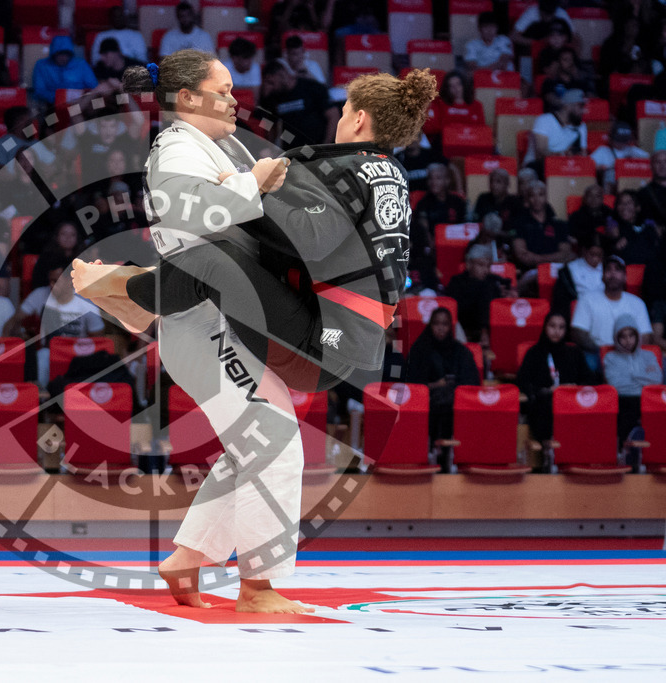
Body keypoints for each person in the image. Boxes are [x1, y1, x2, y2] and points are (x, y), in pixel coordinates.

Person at [73, 54, 435, 611]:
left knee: (255, 444)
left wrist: (256, 181)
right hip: (203, 320)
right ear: (189, 99)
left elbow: (270, 216)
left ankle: (188, 557)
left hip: (231, 312)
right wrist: (253, 186)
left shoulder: (227, 147)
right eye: (224, 89)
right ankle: (258, 587)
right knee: (274, 445)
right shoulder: (175, 149)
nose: (236, 99)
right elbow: (200, 223)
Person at [516, 311, 597, 471]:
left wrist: (574, 388)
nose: (556, 331)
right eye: (552, 326)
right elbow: (523, 383)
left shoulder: (574, 353)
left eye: (561, 327)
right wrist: (546, 390)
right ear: (545, 327)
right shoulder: (534, 353)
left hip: (572, 403)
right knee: (545, 406)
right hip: (544, 402)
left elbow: (589, 380)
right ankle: (549, 451)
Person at [405, 307, 481, 471]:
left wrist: (451, 388)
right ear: (430, 325)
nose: (440, 328)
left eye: (445, 324)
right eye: (436, 323)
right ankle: (432, 452)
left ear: (450, 327)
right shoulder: (419, 350)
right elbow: (411, 386)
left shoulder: (461, 352)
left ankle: (447, 453)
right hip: (426, 406)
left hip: (454, 407)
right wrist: (435, 386)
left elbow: (472, 385)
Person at [10, 263, 104, 388]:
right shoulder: (40, 294)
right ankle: (41, 397)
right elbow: (14, 321)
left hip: (78, 354)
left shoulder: (87, 302)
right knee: (41, 355)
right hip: (49, 353)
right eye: (50, 281)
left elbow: (98, 338)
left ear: (71, 281)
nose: (51, 285)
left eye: (56, 281)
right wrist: (17, 333)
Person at [571, 254, 654, 369]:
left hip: (629, 354)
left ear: (625, 277)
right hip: (597, 354)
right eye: (608, 269)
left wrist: (626, 352)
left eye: (617, 270)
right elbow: (578, 332)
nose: (613, 274)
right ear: (602, 276)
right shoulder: (587, 299)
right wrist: (603, 351)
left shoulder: (637, 303)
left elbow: (646, 336)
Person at [603, 314, 661, 452]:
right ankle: (625, 452)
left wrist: (631, 376)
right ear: (616, 338)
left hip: (648, 400)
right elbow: (616, 385)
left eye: (631, 335)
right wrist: (643, 379)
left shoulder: (649, 356)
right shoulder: (610, 357)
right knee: (624, 411)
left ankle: (654, 451)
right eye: (623, 336)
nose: (628, 340)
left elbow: (656, 380)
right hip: (624, 401)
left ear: (637, 336)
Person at [259, 61, 339, 149]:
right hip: (292, 152)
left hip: (316, 148)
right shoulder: (275, 97)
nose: (271, 87)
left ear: (281, 75)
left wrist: (326, 144)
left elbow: (333, 116)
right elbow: (272, 126)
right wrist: (269, 148)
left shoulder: (312, 87)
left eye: (271, 82)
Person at [445, 244, 514, 344]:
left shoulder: (492, 280)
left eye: (488, 266)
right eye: (481, 265)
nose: (486, 270)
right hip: (464, 328)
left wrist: (508, 295)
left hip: (493, 329)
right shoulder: (456, 282)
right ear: (469, 264)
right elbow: (456, 309)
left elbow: (507, 285)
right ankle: (484, 333)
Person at [523, 89, 588, 172]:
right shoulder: (544, 120)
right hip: (538, 165)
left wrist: (576, 155)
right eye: (580, 106)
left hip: (565, 167)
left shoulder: (581, 126)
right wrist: (563, 155)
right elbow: (540, 152)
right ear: (567, 106)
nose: (583, 111)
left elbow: (583, 155)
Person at [32, 35, 98, 106]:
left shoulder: (81, 64)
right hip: (55, 104)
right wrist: (62, 97)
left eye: (67, 54)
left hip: (82, 102)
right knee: (75, 114)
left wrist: (80, 95)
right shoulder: (42, 65)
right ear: (53, 54)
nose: (64, 58)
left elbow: (94, 86)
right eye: (60, 54)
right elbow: (39, 91)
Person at [552, 231, 604, 316]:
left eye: (599, 255)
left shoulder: (607, 268)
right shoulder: (570, 269)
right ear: (584, 251)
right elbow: (562, 300)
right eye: (592, 254)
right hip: (579, 311)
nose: (595, 259)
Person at [611, 190, 662, 266]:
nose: (624, 206)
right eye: (621, 203)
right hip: (627, 271)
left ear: (638, 207)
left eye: (628, 203)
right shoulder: (613, 226)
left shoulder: (649, 226)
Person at [636, 150, 666, 229]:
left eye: (665, 162)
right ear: (651, 166)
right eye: (658, 162)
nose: (662, 166)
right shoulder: (643, 194)